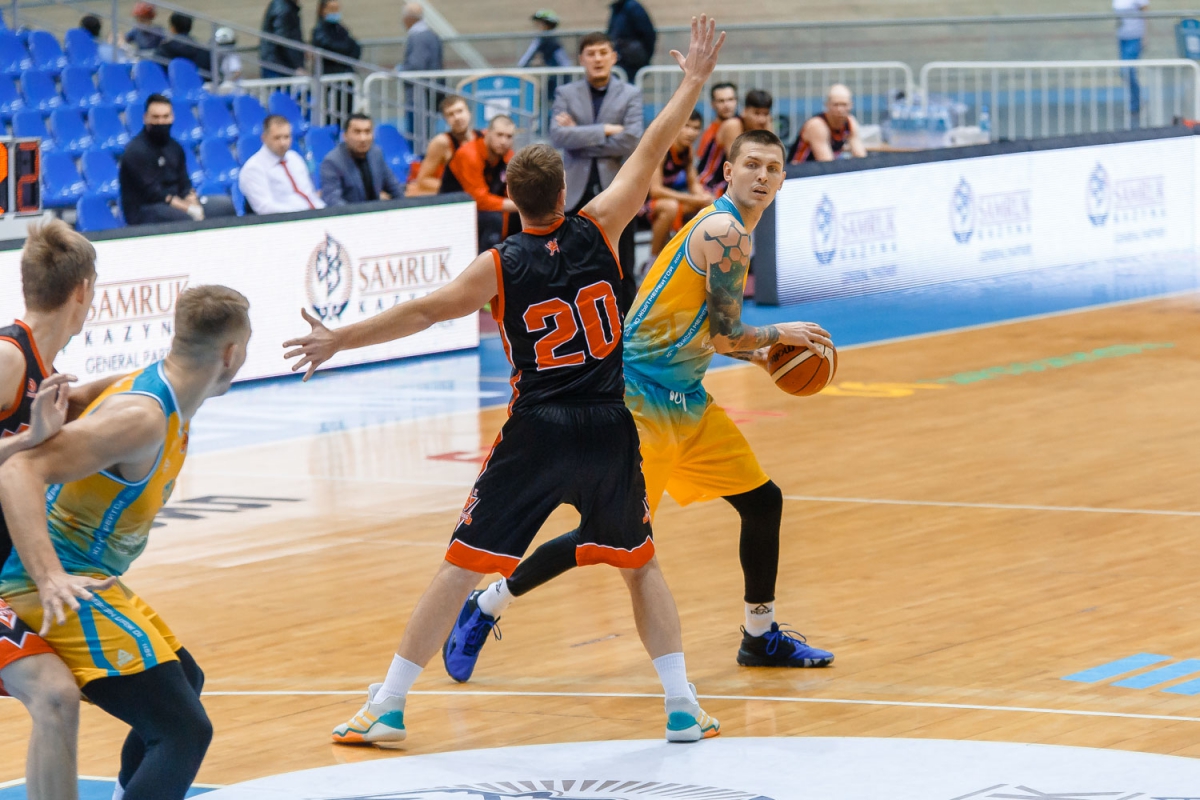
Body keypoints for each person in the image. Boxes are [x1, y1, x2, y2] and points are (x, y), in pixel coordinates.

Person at [284, 14, 728, 748]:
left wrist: (340, 338)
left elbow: (422, 312)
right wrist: (693, 81)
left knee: (460, 566)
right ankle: (682, 706)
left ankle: (389, 705)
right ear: (565, 190)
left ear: (511, 202)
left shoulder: (497, 266)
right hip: (609, 423)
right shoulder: (601, 224)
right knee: (641, 565)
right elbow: (650, 148)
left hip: (538, 430)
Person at [443, 127, 838, 683]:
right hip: (640, 400)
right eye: (752, 164)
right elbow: (725, 333)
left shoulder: (729, 228)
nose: (762, 176)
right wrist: (781, 333)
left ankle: (759, 635)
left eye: (773, 168)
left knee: (762, 501)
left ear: (782, 179)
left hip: (686, 397)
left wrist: (759, 356)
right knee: (605, 538)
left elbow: (703, 329)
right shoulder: (725, 230)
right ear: (727, 172)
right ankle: (488, 603)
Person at [0, 285, 252, 800]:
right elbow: (18, 470)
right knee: (183, 730)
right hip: (46, 578)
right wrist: (49, 576)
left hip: (85, 571)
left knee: (186, 682)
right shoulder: (143, 417)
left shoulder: (161, 391)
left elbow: (73, 401)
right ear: (231, 354)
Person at [0, 221, 123, 800]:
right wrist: (27, 441)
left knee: (55, 696)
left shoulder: (42, 371)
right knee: (53, 693)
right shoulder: (8, 357)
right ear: (83, 290)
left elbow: (81, 400)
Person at [550, 31, 643, 311]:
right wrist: (605, 130)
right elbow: (558, 136)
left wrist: (579, 137)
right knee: (572, 264)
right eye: (591, 54)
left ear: (613, 57)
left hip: (617, 189)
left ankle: (628, 325)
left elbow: (631, 140)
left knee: (622, 264)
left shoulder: (631, 94)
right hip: (573, 192)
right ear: (581, 59)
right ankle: (576, 323)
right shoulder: (565, 93)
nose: (597, 59)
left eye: (603, 53)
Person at [119, 94, 204, 226]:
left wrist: (194, 203)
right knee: (186, 218)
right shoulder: (135, 151)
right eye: (156, 117)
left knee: (223, 207)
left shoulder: (175, 147)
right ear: (145, 118)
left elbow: (185, 184)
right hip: (145, 210)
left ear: (172, 117)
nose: (161, 122)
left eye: (165, 117)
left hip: (176, 204)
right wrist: (188, 209)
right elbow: (154, 193)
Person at [441, 114, 517, 251]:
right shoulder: (469, 154)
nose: (503, 141)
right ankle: (487, 262)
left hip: (484, 209)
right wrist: (517, 205)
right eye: (499, 135)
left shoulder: (508, 156)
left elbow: (512, 192)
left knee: (524, 215)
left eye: (509, 137)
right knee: (494, 219)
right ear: (487, 133)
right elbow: (478, 200)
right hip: (454, 211)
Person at [644, 109, 712, 260]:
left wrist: (703, 197)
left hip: (667, 201)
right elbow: (655, 191)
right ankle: (652, 260)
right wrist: (693, 199)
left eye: (696, 128)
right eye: (686, 126)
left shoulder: (688, 151)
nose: (691, 132)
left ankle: (696, 258)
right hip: (641, 204)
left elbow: (693, 183)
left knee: (709, 203)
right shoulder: (662, 149)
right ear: (676, 126)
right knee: (670, 207)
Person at [238, 115, 325, 214]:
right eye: (277, 138)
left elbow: (310, 194)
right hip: (288, 220)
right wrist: (301, 214)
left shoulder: (295, 158)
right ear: (264, 138)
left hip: (315, 215)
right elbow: (265, 208)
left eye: (286, 137)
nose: (283, 143)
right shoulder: (253, 168)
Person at [321, 113, 404, 206]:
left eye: (367, 132)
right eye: (357, 132)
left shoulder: (376, 154)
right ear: (345, 136)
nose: (363, 138)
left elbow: (395, 188)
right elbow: (333, 201)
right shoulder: (332, 162)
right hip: (350, 213)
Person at [406, 95, 477, 197]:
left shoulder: (482, 138)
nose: (457, 118)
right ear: (445, 120)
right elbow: (423, 180)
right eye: (450, 114)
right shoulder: (442, 142)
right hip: (455, 198)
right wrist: (459, 188)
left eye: (460, 111)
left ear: (469, 113)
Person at [788, 84, 867, 163]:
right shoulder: (817, 125)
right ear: (827, 105)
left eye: (844, 105)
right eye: (836, 105)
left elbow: (860, 156)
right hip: (800, 168)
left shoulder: (850, 122)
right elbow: (827, 163)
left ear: (851, 105)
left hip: (821, 167)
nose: (840, 109)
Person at [312, 0, 361, 122]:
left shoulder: (341, 29)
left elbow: (355, 47)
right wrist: (344, 50)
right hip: (330, 79)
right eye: (332, 9)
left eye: (337, 9)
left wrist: (345, 52)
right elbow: (329, 47)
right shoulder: (319, 31)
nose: (335, 12)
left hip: (346, 78)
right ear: (323, 10)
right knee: (332, 114)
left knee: (347, 112)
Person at [696, 82, 738, 195]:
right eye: (721, 101)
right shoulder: (709, 134)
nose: (727, 105)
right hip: (712, 188)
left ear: (736, 101)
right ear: (713, 104)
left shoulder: (742, 123)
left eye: (730, 99)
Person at [1115, 0, 1149, 125]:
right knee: (1123, 71)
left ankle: (1135, 105)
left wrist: (1145, 36)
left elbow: (1146, 13)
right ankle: (1135, 102)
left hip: (1135, 36)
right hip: (1122, 37)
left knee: (1128, 70)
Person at [607, 0, 656, 78]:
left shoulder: (632, 7)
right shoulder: (617, 9)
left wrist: (641, 55)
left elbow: (648, 34)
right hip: (619, 60)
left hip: (632, 61)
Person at [259, 0, 306, 78]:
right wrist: (297, 65)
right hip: (278, 64)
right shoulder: (283, 8)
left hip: (278, 62)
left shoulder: (288, 6)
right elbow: (282, 40)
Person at [400, 2, 443, 72]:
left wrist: (401, 70)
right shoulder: (431, 34)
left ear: (409, 18)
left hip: (423, 77)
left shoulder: (418, 37)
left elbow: (416, 63)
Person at [214, 27, 243, 93]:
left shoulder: (232, 56)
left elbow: (237, 73)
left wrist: (228, 82)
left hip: (233, 89)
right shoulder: (222, 57)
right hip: (227, 89)